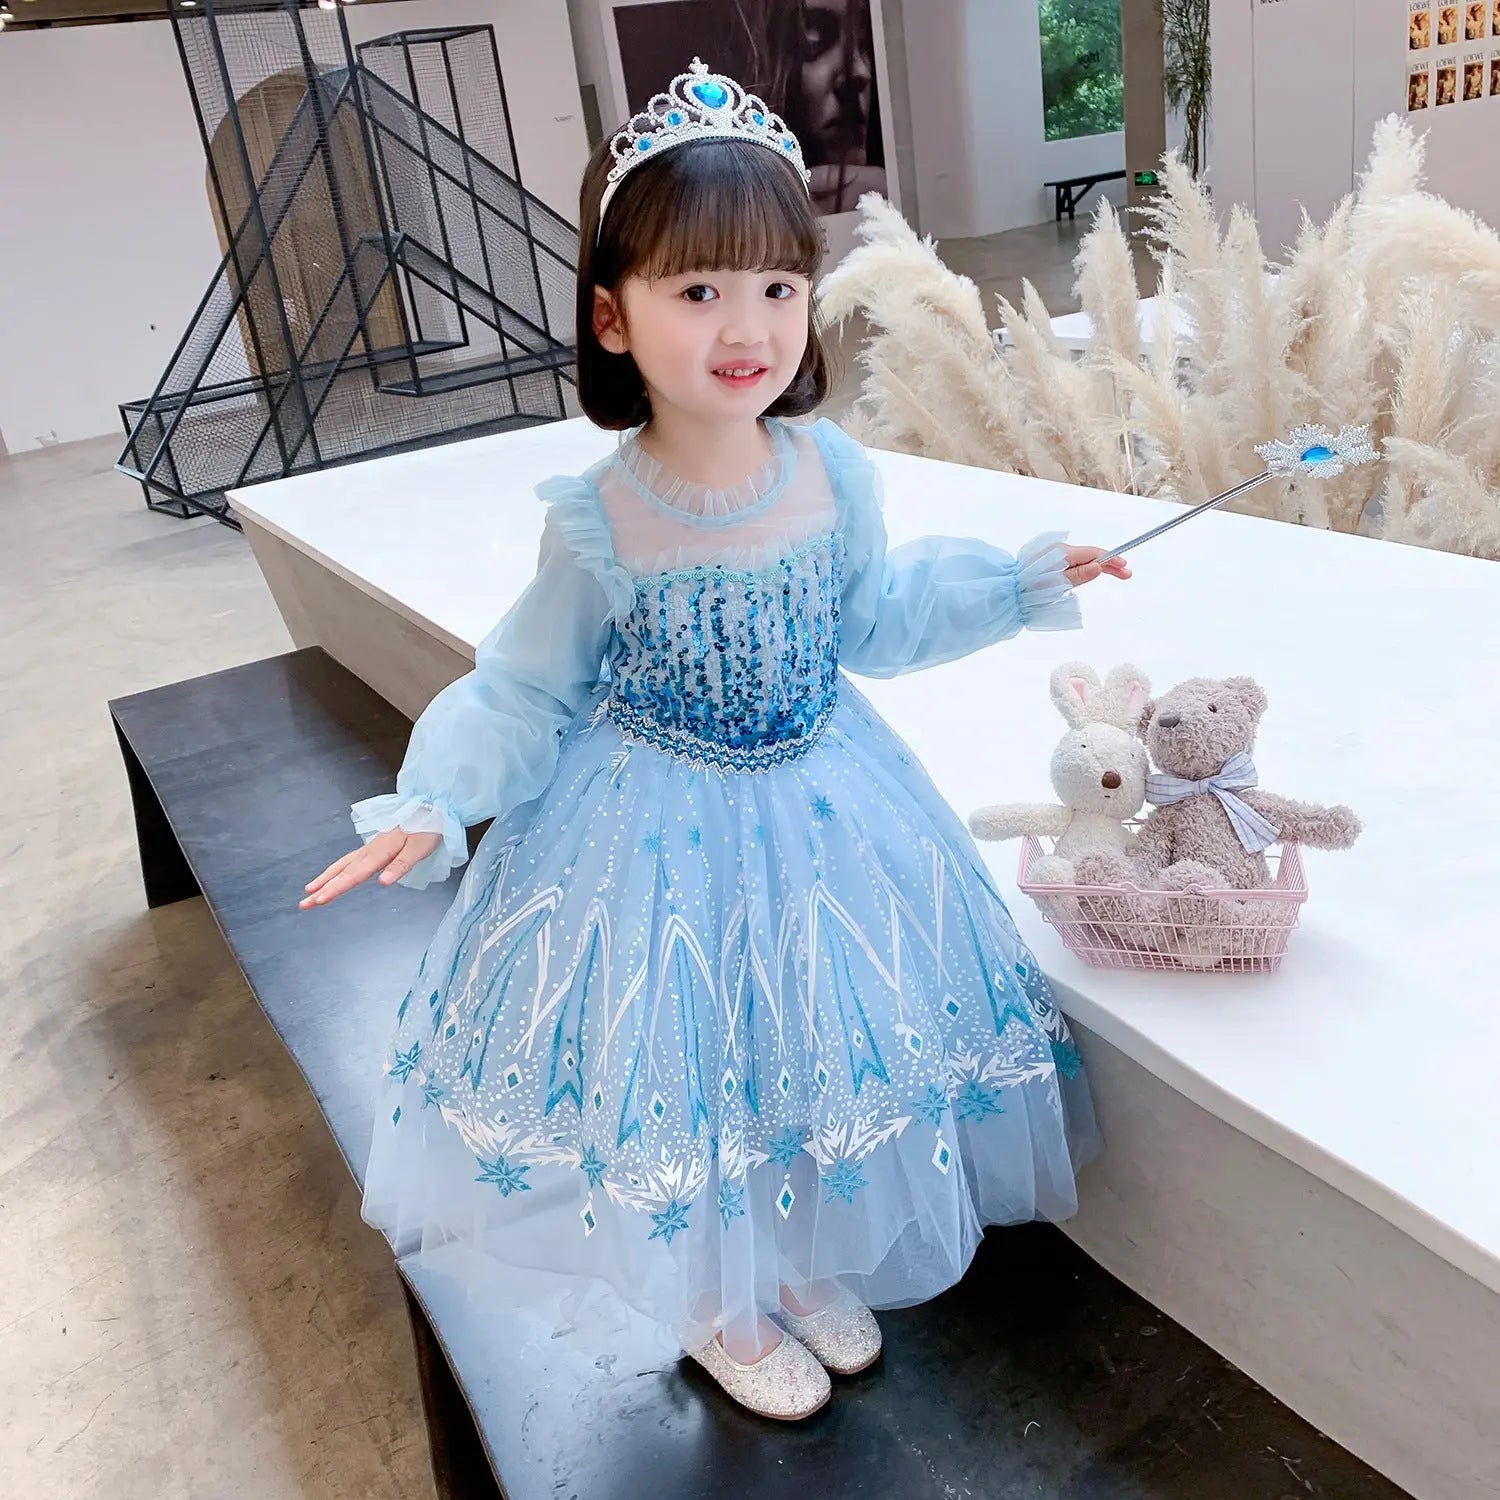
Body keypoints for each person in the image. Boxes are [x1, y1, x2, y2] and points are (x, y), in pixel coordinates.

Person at [302, 59, 1130, 1421]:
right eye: (697, 291)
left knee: (804, 1049)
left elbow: (875, 616)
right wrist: (434, 798)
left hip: (827, 799)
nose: (747, 326)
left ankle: (791, 1264)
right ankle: (714, 1297)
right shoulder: (602, 515)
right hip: (654, 826)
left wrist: (1016, 581)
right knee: (696, 1068)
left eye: (778, 287)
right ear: (612, 316)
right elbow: (525, 683)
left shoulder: (830, 471)